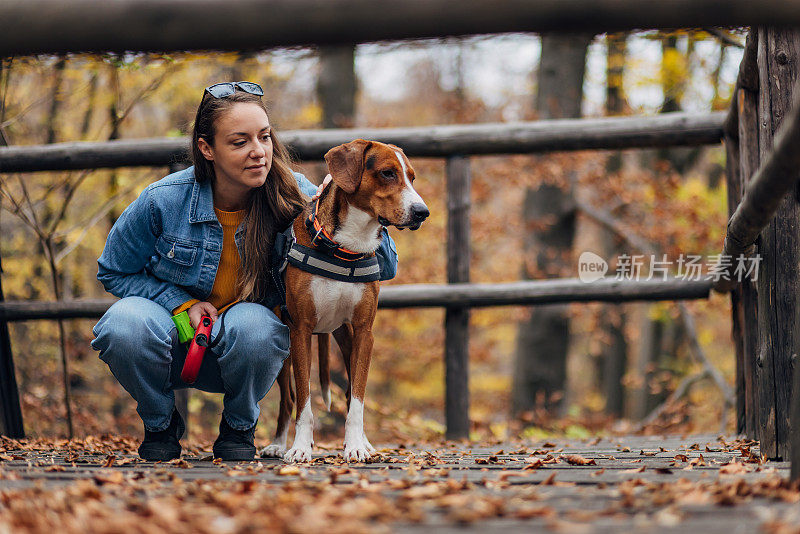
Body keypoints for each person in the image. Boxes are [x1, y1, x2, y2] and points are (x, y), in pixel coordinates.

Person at [91, 81, 398, 462]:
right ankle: (159, 423)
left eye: (265, 137)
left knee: (258, 326)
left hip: (244, 349)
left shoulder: (300, 195)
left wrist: (350, 211)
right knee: (121, 324)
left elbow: (385, 267)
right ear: (207, 149)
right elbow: (113, 271)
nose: (259, 152)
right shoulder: (163, 200)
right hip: (172, 340)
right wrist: (180, 302)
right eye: (239, 142)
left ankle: (239, 425)